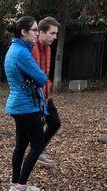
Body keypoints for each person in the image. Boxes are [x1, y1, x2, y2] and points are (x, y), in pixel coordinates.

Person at [4, 16, 48, 191]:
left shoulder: (14, 49)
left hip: (17, 105)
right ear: (24, 32)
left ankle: (15, 183)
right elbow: (42, 78)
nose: (37, 34)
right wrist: (34, 77)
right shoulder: (21, 53)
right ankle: (21, 186)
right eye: (35, 30)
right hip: (26, 106)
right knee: (38, 144)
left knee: (21, 145)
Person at [32, 16, 62, 166]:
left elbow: (44, 73)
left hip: (45, 95)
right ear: (41, 33)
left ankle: (39, 150)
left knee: (55, 122)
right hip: (34, 97)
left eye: (56, 34)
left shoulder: (48, 48)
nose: (55, 37)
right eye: (52, 33)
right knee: (31, 133)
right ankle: (36, 152)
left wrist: (47, 89)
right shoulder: (32, 48)